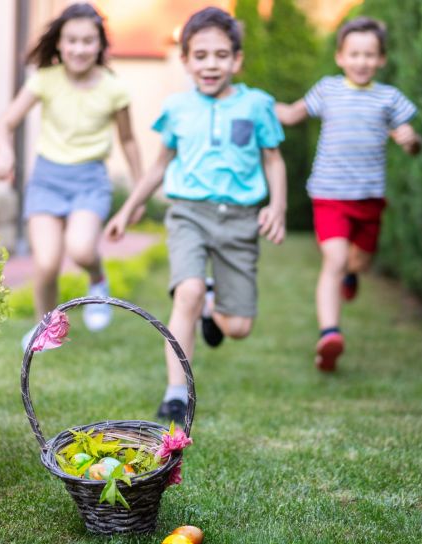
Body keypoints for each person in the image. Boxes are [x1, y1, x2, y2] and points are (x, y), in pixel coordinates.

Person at [105, 7, 287, 424]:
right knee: (185, 291)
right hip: (189, 213)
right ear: (185, 60)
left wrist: (277, 206)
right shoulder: (177, 108)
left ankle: (212, 307)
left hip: (240, 220)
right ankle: (175, 393)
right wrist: (128, 209)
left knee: (238, 326)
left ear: (237, 60)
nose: (211, 64)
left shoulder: (257, 106)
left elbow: (274, 160)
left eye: (221, 55)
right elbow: (158, 166)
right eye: (200, 55)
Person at [0, 3, 142, 349]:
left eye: (88, 41)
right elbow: (4, 124)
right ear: (59, 43)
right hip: (47, 179)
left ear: (100, 45)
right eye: (71, 40)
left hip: (90, 180)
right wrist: (4, 151)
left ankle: (97, 278)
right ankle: (48, 329)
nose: (79, 49)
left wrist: (137, 194)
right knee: (45, 263)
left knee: (81, 248)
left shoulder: (113, 89)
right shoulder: (45, 80)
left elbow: (129, 140)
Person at [276, 16, 422, 372]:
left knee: (359, 263)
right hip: (329, 195)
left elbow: (412, 139)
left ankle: (352, 277)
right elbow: (294, 113)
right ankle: (330, 334)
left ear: (382, 60)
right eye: (354, 54)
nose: (362, 62)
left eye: (370, 55)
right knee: (335, 260)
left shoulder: (389, 99)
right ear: (340, 56)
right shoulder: (328, 89)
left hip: (369, 198)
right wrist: (261, 106)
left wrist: (411, 141)